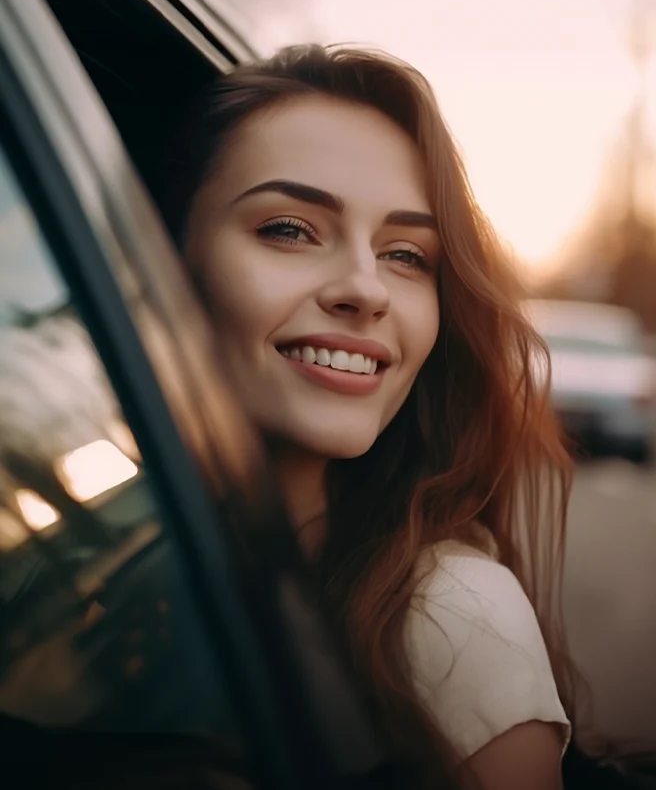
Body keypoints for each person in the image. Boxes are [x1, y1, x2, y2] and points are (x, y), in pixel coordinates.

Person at [155, 44, 577, 790]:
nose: (365, 289)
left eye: (407, 255)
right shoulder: (82, 556)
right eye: (290, 229)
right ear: (163, 259)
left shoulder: (451, 617)